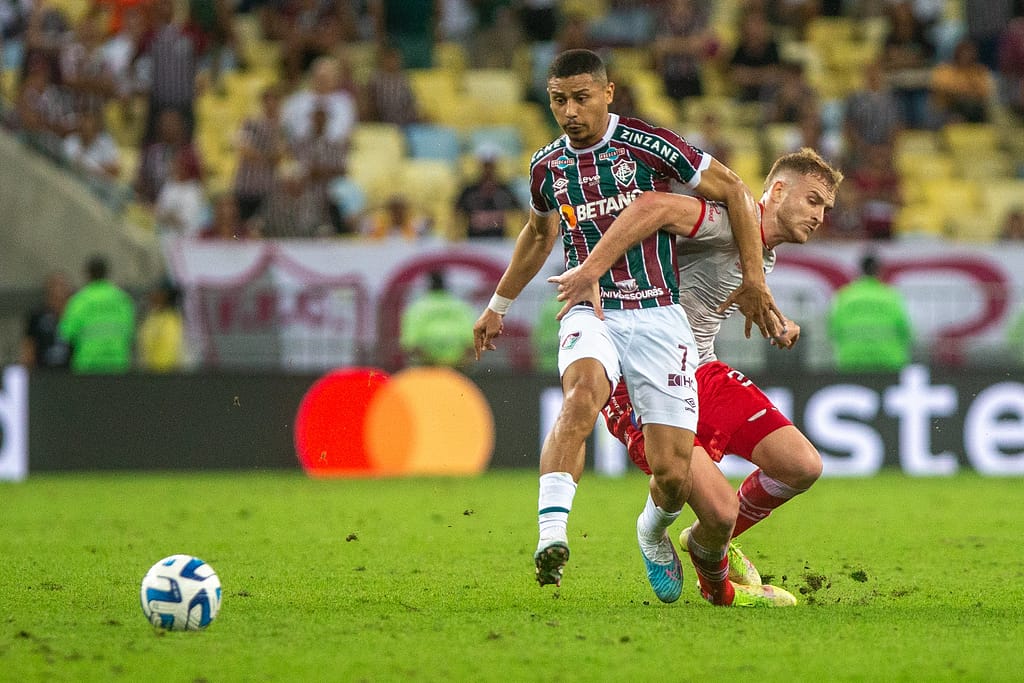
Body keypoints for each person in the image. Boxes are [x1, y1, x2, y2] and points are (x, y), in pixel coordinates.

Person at [472, 49, 782, 605]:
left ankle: (651, 527)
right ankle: (551, 538)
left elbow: (734, 190)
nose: (570, 111)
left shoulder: (649, 145)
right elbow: (539, 236)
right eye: (559, 100)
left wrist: (755, 280)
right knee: (581, 396)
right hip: (589, 311)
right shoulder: (546, 166)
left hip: (659, 318)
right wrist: (498, 304)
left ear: (608, 93)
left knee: (670, 471)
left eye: (581, 98)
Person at [550, 147, 844, 607]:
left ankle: (707, 541)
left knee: (802, 465)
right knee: (721, 510)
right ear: (778, 190)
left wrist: (775, 321)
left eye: (826, 207)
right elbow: (653, 205)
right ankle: (721, 589)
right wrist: (594, 268)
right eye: (813, 200)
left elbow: (709, 292)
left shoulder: (761, 257)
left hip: (699, 367)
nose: (820, 215)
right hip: (639, 373)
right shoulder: (725, 220)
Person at [827, 252, 914, 372]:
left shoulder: (845, 296)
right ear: (880, 271)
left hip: (852, 360)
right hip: (888, 360)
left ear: (859, 271)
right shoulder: (890, 296)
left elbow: (834, 330)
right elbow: (905, 330)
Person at [58, 255, 136, 374]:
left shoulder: (80, 300)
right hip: (118, 365)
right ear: (106, 273)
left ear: (88, 274)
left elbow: (66, 334)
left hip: (87, 365)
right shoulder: (122, 299)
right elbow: (131, 332)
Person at [400, 271, 476, 368]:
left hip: (427, 366)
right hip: (456, 365)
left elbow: (410, 342)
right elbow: (472, 340)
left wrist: (426, 361)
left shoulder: (417, 308)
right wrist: (464, 361)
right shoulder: (461, 307)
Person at [454, 145, 521, 239]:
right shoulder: (468, 191)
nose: (488, 169)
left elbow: (519, 212)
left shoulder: (505, 190)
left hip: (499, 244)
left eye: (491, 165)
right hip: (473, 243)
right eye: (485, 165)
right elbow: (456, 214)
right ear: (479, 165)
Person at [20, 270, 72, 369]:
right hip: (44, 372)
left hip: (70, 373)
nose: (58, 292)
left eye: (62, 287)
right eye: (55, 287)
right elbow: (29, 345)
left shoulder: (75, 316)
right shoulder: (37, 316)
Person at [137, 280, 185, 372]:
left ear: (165, 296)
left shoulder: (171, 320)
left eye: (157, 292)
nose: (152, 295)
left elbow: (168, 352)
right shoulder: (153, 317)